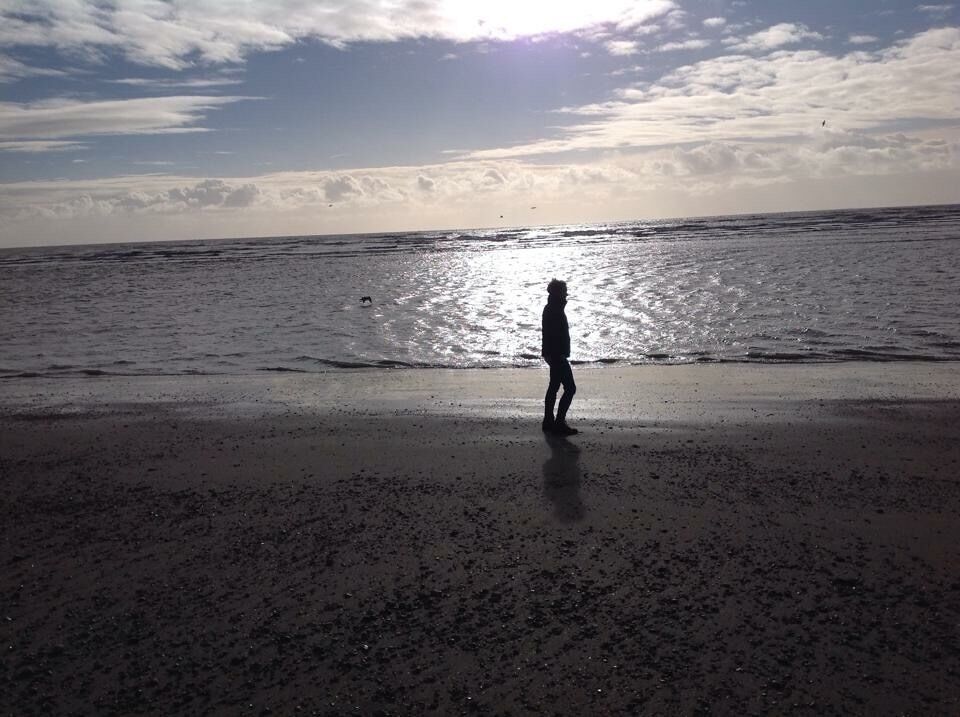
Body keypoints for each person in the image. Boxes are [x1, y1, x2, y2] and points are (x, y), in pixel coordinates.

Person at [541, 278, 578, 436]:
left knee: (554, 386)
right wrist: (559, 354)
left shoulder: (552, 307)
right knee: (570, 388)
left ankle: (549, 421)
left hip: (553, 353)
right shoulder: (554, 308)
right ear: (558, 292)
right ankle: (559, 422)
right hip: (557, 354)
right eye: (564, 291)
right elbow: (555, 334)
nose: (566, 293)